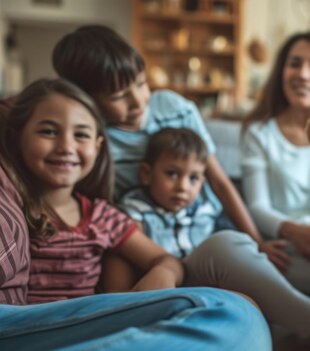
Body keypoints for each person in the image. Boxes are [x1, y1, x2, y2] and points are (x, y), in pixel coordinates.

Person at [52, 25, 310, 345]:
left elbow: (219, 180)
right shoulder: (93, 139)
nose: (137, 102)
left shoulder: (172, 107)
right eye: (119, 96)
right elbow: (106, 217)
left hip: (208, 229)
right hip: (152, 246)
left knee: (231, 244)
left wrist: (257, 241)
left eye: (141, 84)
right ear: (88, 100)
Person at [0, 79, 271, 350]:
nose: (66, 146)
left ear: (97, 146)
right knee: (235, 315)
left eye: (80, 135)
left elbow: (164, 259)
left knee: (242, 308)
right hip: (35, 324)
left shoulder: (101, 216)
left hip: (94, 321)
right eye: (48, 132)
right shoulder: (15, 207)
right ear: (16, 137)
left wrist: (164, 271)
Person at [241, 31, 310, 294]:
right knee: (244, 261)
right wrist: (293, 232)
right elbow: (257, 206)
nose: (303, 74)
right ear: (281, 72)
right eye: (295, 63)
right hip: (279, 242)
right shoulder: (259, 132)